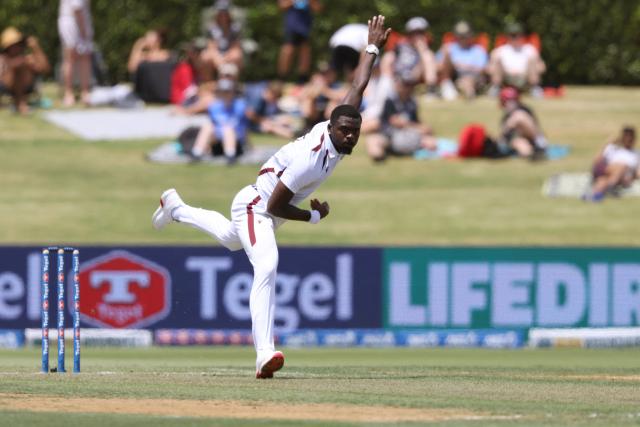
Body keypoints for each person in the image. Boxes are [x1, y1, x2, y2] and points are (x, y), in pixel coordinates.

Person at [152, 15, 390, 379]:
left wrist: (372, 48)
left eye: (354, 132)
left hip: (262, 209)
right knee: (266, 265)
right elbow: (275, 205)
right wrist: (312, 218)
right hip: (257, 206)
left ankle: (176, 207)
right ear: (330, 128)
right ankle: (264, 352)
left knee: (231, 241)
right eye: (345, 132)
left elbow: (357, 86)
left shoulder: (339, 130)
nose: (351, 138)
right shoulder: (310, 159)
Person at [365, 75, 435, 162]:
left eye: (409, 85)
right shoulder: (390, 101)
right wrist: (414, 126)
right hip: (389, 136)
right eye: (405, 85)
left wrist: (421, 128)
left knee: (430, 141)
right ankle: (382, 157)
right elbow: (395, 121)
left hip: (409, 135)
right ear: (397, 85)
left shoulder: (412, 103)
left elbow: (415, 121)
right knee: (374, 144)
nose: (407, 88)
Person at [190, 78, 248, 163]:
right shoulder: (214, 106)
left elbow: (240, 125)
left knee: (228, 128)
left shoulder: (240, 105)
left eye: (227, 91)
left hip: (236, 139)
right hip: (218, 139)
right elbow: (214, 123)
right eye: (223, 91)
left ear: (232, 92)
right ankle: (197, 153)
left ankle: (230, 155)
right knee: (208, 126)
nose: (225, 94)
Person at [0, 27, 50, 114]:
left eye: (19, 43)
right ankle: (20, 103)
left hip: (26, 86)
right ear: (8, 47)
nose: (18, 47)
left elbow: (46, 69)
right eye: (15, 44)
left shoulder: (28, 59)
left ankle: (20, 103)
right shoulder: (2, 59)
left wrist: (36, 48)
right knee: (18, 65)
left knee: (22, 65)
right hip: (6, 87)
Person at [488, 23, 545, 97]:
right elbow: (490, 69)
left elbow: (542, 67)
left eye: (517, 35)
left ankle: (535, 88)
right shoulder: (499, 50)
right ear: (507, 36)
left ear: (522, 36)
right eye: (512, 35)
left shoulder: (530, 49)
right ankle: (496, 87)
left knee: (532, 61)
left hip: (525, 77)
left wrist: (527, 71)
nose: (515, 38)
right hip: (506, 77)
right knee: (497, 61)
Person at [380, 17, 437, 92]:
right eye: (414, 33)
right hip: (398, 75)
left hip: (415, 74)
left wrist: (421, 50)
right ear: (409, 34)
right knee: (388, 57)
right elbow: (390, 59)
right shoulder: (401, 45)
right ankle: (386, 87)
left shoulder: (425, 49)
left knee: (428, 56)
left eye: (420, 33)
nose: (418, 36)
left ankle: (431, 90)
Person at [585, 126, 638, 202]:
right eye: (626, 136)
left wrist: (632, 177)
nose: (628, 139)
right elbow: (596, 161)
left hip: (623, 177)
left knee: (604, 180)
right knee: (619, 168)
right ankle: (606, 190)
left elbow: (637, 172)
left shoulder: (636, 154)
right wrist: (607, 144)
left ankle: (596, 194)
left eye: (630, 137)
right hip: (609, 171)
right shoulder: (614, 149)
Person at [437, 21, 488, 99]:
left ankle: (467, 91)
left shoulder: (478, 50)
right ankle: (448, 86)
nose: (463, 39)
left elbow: (483, 69)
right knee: (447, 54)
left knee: (468, 80)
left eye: (465, 36)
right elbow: (438, 66)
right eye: (460, 36)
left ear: (470, 35)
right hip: (453, 75)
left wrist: (463, 66)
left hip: (473, 77)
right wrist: (454, 65)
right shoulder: (447, 48)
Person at [58, 0, 94, 107]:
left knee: (83, 59)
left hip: (75, 20)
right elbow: (77, 8)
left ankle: (84, 92)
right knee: (71, 58)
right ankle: (69, 93)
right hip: (74, 21)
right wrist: (83, 29)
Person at [277, 0, 322, 82]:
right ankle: (281, 79)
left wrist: (310, 2)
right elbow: (282, 5)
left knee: (305, 53)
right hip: (292, 26)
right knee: (288, 50)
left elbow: (318, 8)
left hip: (305, 27)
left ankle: (302, 80)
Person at [498, 86, 547, 159]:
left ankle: (539, 144)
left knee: (518, 116)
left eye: (512, 101)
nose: (509, 104)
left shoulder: (525, 110)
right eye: (506, 101)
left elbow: (534, 127)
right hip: (520, 140)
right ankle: (534, 154)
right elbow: (510, 138)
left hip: (533, 137)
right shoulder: (505, 118)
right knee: (521, 146)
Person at [201, 0, 244, 82]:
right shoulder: (211, 28)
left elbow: (236, 46)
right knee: (205, 57)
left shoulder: (235, 28)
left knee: (237, 55)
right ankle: (209, 83)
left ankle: (234, 84)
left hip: (230, 52)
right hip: (216, 54)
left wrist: (226, 58)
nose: (223, 15)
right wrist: (218, 59)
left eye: (225, 13)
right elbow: (211, 47)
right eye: (221, 13)